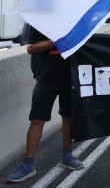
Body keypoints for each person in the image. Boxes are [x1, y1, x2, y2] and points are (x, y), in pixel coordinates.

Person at [6, 27, 85, 183]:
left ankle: (67, 156)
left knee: (68, 117)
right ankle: (28, 166)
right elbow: (31, 48)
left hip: (70, 78)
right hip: (45, 79)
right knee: (37, 119)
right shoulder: (40, 22)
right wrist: (54, 42)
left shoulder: (74, 20)